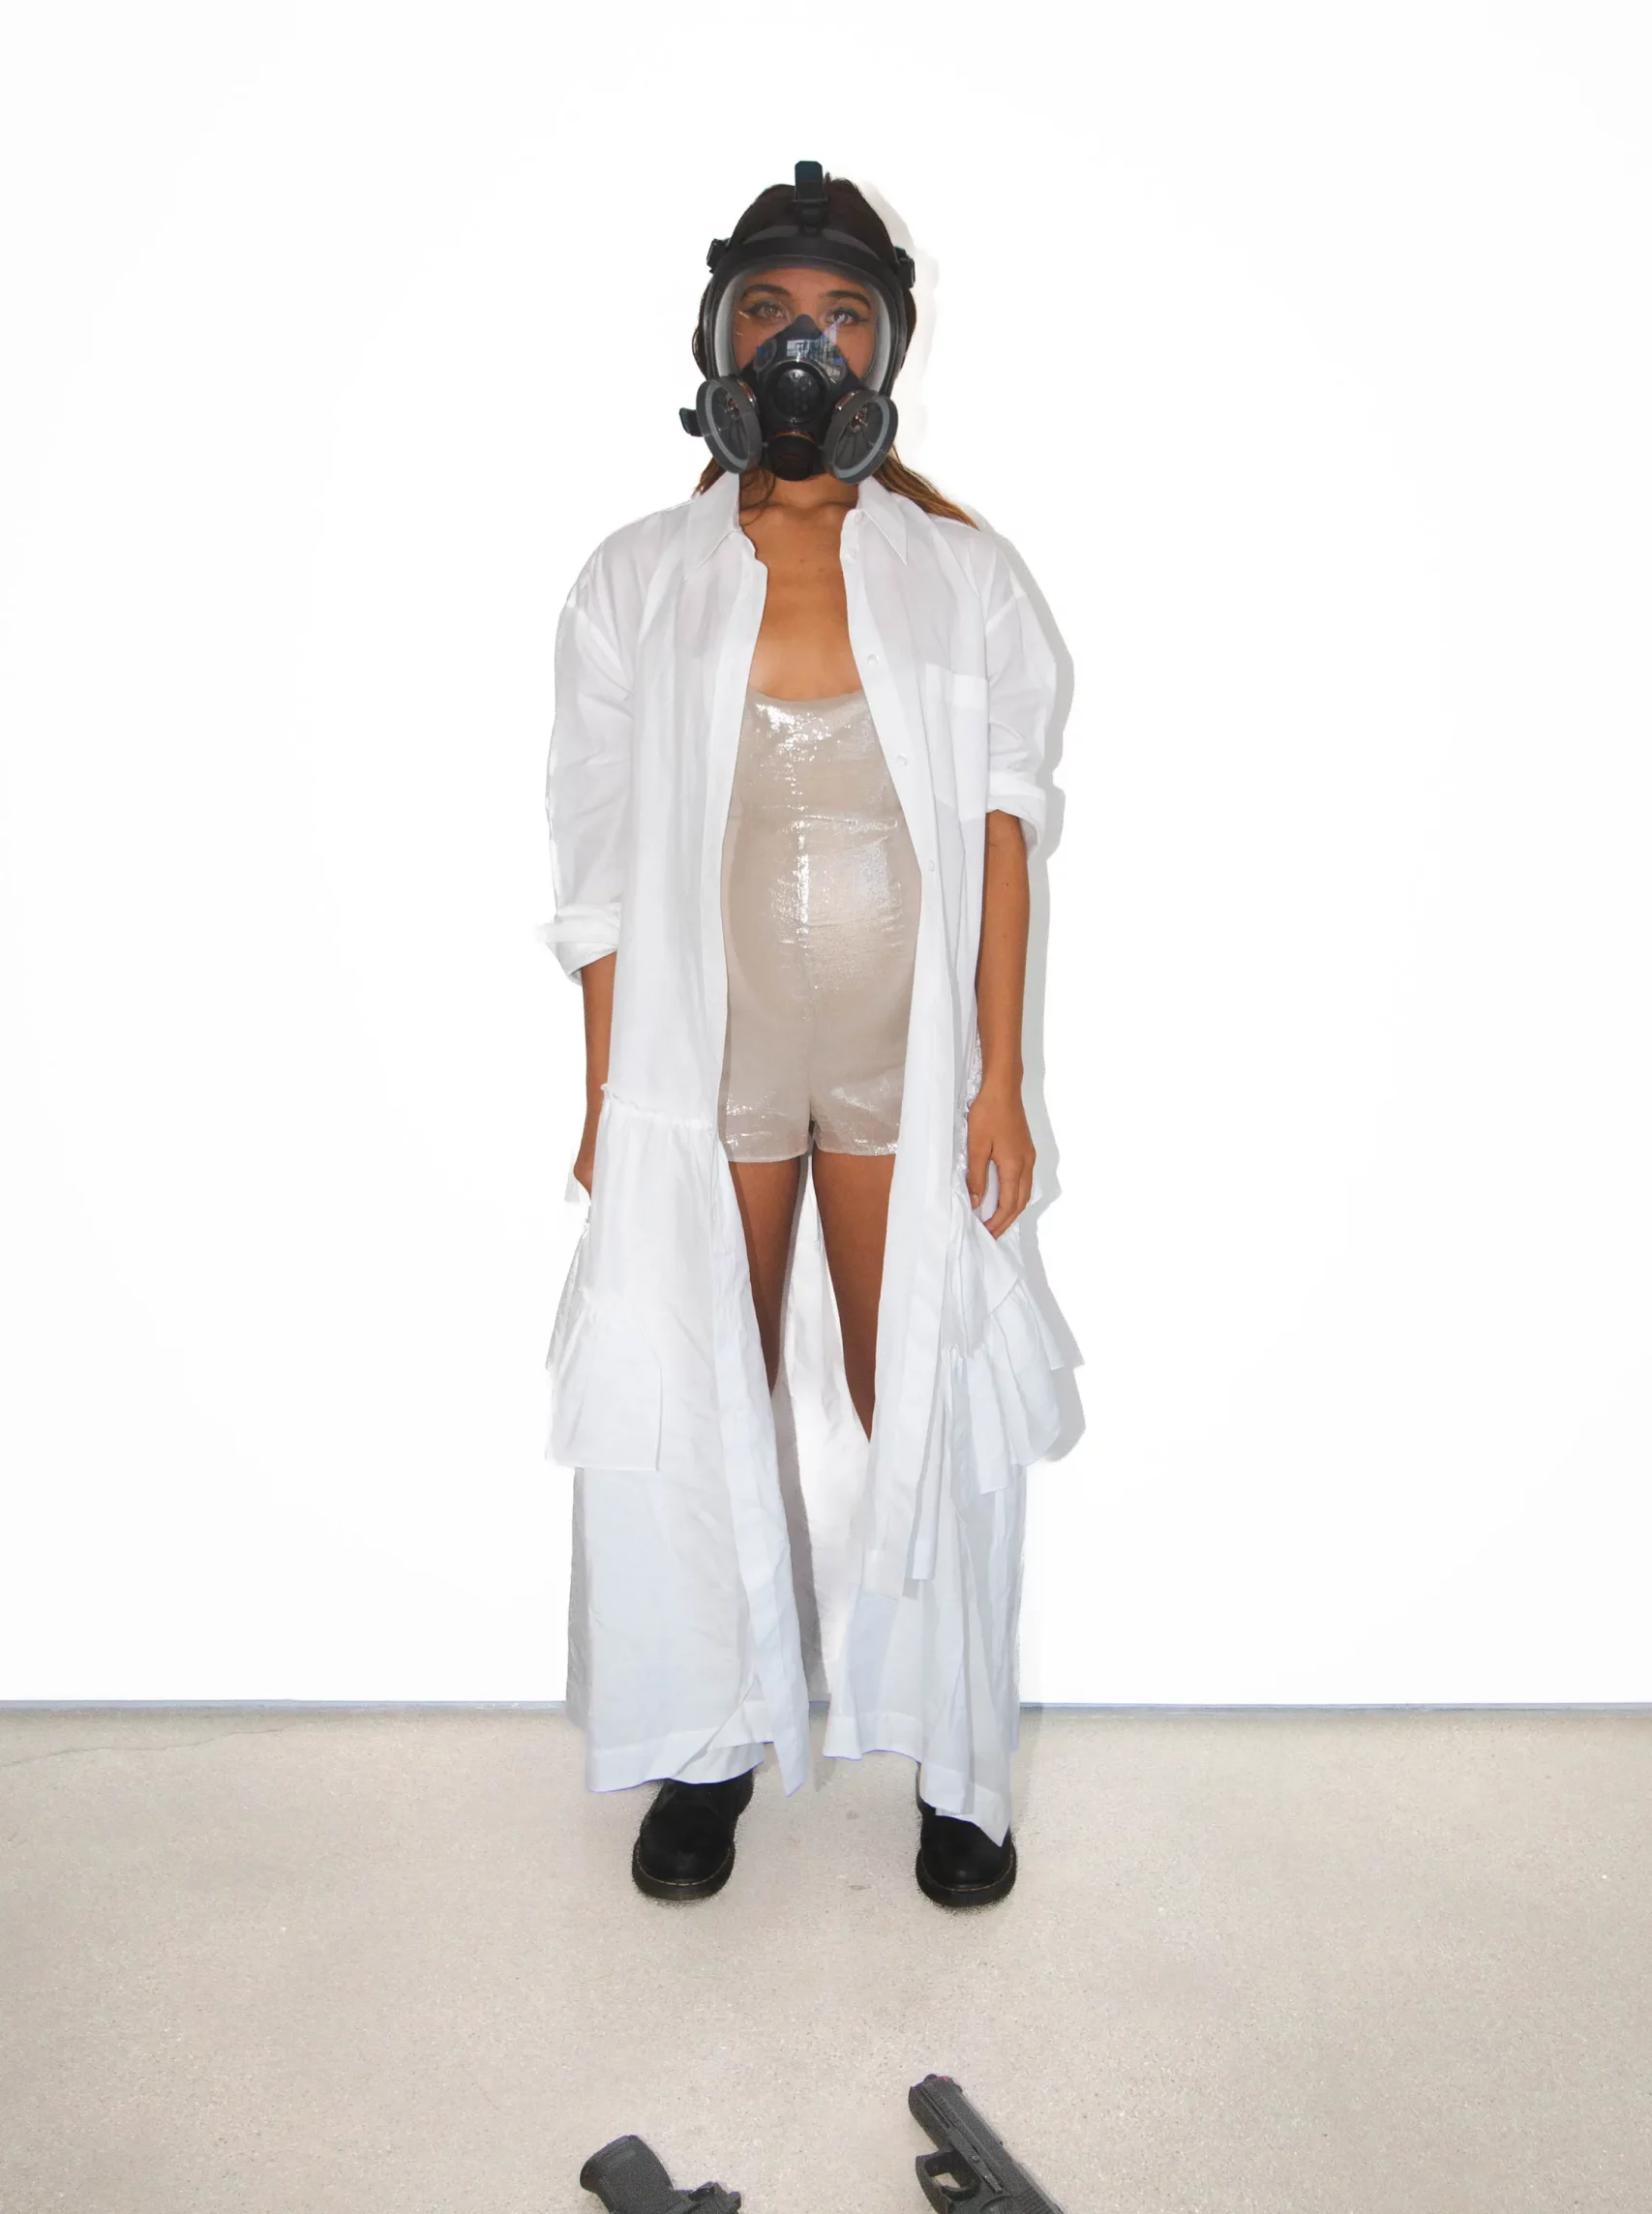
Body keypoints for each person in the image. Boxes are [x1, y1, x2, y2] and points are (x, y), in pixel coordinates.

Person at [539, 164, 1076, 1910]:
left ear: (885, 354)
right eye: (768, 311)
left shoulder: (959, 576)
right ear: (715, 339)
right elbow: (597, 871)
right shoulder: (636, 579)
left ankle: (955, 1767)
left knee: (921, 1381)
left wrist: (1000, 1080)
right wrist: (609, 1096)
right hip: (707, 1067)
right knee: (696, 1381)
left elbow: (1002, 833)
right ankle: (704, 1751)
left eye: (841, 318)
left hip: (901, 1062)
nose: (802, 346)